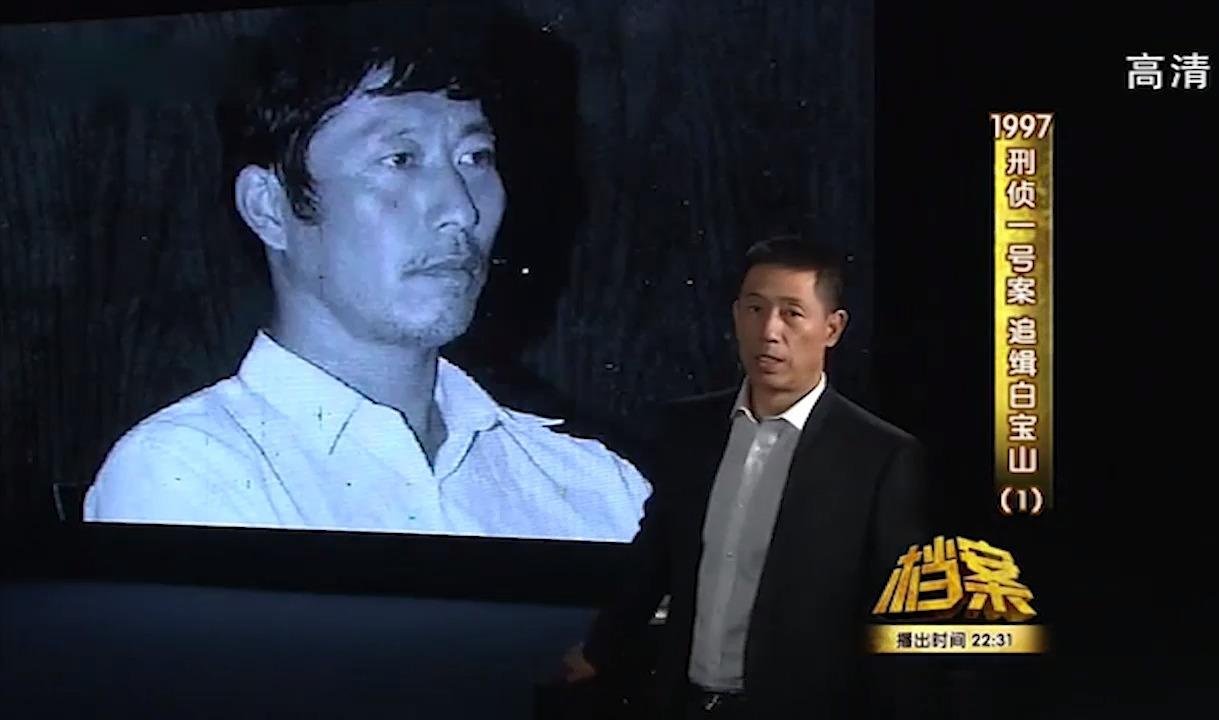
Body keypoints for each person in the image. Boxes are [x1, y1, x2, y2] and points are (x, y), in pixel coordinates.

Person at [82, 5, 650, 542]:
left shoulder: (597, 487)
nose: (461, 209)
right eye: (399, 159)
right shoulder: (186, 474)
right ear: (269, 207)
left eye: (475, 157)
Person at [562, 237, 939, 718]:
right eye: (755, 309)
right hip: (683, 701)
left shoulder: (879, 456)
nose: (769, 330)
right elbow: (654, 558)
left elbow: (896, 617)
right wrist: (600, 649)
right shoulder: (690, 430)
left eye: (792, 313)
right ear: (736, 315)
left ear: (832, 328)